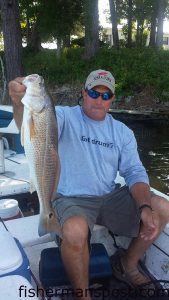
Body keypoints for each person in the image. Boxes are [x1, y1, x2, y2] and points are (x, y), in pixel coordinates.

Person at [9, 70, 169, 299]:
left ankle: (127, 264)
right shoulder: (61, 115)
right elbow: (30, 125)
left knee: (162, 208)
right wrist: (17, 102)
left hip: (109, 195)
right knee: (74, 231)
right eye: (94, 93)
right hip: (70, 198)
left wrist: (144, 207)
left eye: (106, 96)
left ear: (112, 99)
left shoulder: (122, 132)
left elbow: (134, 172)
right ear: (84, 93)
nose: (99, 99)